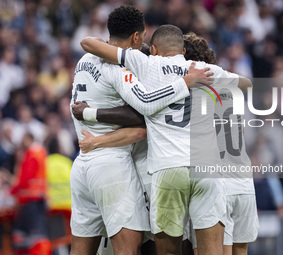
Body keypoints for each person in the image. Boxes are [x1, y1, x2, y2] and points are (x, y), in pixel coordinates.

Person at [78, 23, 252, 255]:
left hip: (168, 168)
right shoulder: (204, 69)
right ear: (182, 51)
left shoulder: (147, 64)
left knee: (169, 250)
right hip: (207, 170)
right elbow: (247, 84)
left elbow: (89, 44)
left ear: (155, 49)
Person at [69, 6, 209, 255]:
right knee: (130, 250)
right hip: (111, 167)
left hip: (82, 167)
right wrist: (184, 83)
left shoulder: (84, 61)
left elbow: (87, 42)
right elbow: (145, 107)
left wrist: (91, 116)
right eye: (143, 36)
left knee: (81, 249)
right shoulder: (117, 67)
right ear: (135, 37)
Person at [183, 32, 258, 255]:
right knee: (241, 250)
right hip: (243, 182)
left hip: (219, 184)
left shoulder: (190, 91)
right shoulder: (230, 89)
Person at [10, 132, 52, 255]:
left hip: (29, 198)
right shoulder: (41, 152)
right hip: (40, 197)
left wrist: (12, 191)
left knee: (30, 236)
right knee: (39, 234)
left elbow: (25, 177)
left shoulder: (31, 153)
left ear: (29, 139)